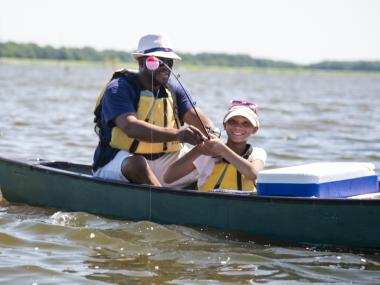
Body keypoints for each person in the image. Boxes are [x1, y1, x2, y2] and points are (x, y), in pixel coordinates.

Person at [92, 34, 212, 187]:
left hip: (164, 164)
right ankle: (163, 202)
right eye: (158, 61)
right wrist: (179, 135)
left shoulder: (174, 89)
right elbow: (131, 127)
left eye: (169, 61)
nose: (166, 66)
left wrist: (211, 133)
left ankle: (203, 196)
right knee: (138, 163)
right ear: (141, 62)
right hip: (122, 162)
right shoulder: (118, 88)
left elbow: (199, 119)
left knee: (213, 153)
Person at [163, 100, 266, 191]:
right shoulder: (207, 152)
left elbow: (253, 173)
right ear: (224, 125)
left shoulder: (257, 153)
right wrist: (198, 150)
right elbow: (168, 177)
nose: (238, 127)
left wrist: (222, 149)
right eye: (232, 121)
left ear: (255, 129)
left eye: (246, 123)